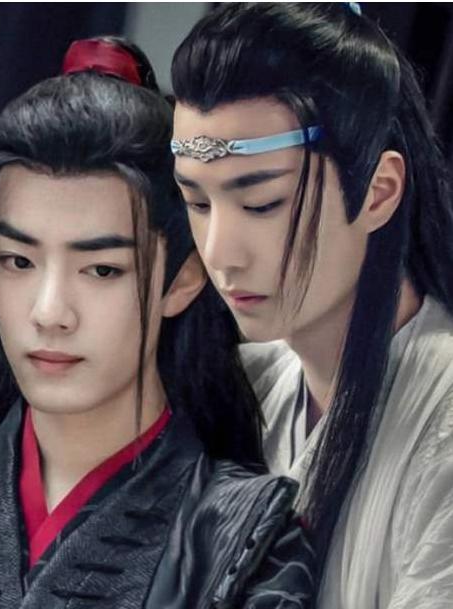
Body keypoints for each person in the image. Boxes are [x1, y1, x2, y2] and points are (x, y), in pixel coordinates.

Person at [0, 37, 315, 609]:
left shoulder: (254, 541)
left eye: (102, 269)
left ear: (184, 279)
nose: (49, 312)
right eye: (18, 261)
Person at [170, 3, 453, 608]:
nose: (220, 253)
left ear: (377, 193)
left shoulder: (443, 416)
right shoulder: (245, 388)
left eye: (262, 204)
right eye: (198, 203)